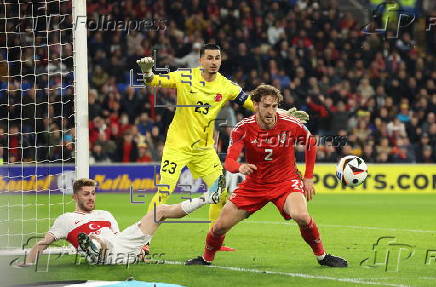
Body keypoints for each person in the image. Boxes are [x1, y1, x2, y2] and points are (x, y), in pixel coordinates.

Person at [136, 44, 309, 251]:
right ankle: (142, 241)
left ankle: (214, 241)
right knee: (164, 190)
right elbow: (155, 81)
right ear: (201, 60)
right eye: (209, 58)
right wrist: (147, 72)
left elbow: (253, 103)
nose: (213, 62)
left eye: (217, 58)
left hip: (204, 149)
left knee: (220, 192)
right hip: (177, 146)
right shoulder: (184, 77)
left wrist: (284, 115)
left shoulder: (226, 86)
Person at [185, 84, 348, 267]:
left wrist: (308, 177)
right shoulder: (243, 128)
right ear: (255, 105)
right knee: (220, 226)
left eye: (274, 106)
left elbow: (311, 143)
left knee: (301, 216)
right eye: (266, 106)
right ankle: (206, 259)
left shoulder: (290, 124)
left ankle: (322, 256)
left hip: (286, 181)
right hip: (254, 185)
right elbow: (229, 162)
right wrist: (240, 167)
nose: (271, 111)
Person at [17, 178, 220, 266]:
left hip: (119, 245)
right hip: (101, 255)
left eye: (93, 194)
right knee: (96, 240)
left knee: (160, 211)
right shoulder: (66, 219)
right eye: (86, 194)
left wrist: (138, 251)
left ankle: (208, 197)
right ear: (75, 197)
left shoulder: (105, 214)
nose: (91, 198)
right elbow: (44, 243)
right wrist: (28, 261)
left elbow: (119, 238)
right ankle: (92, 246)